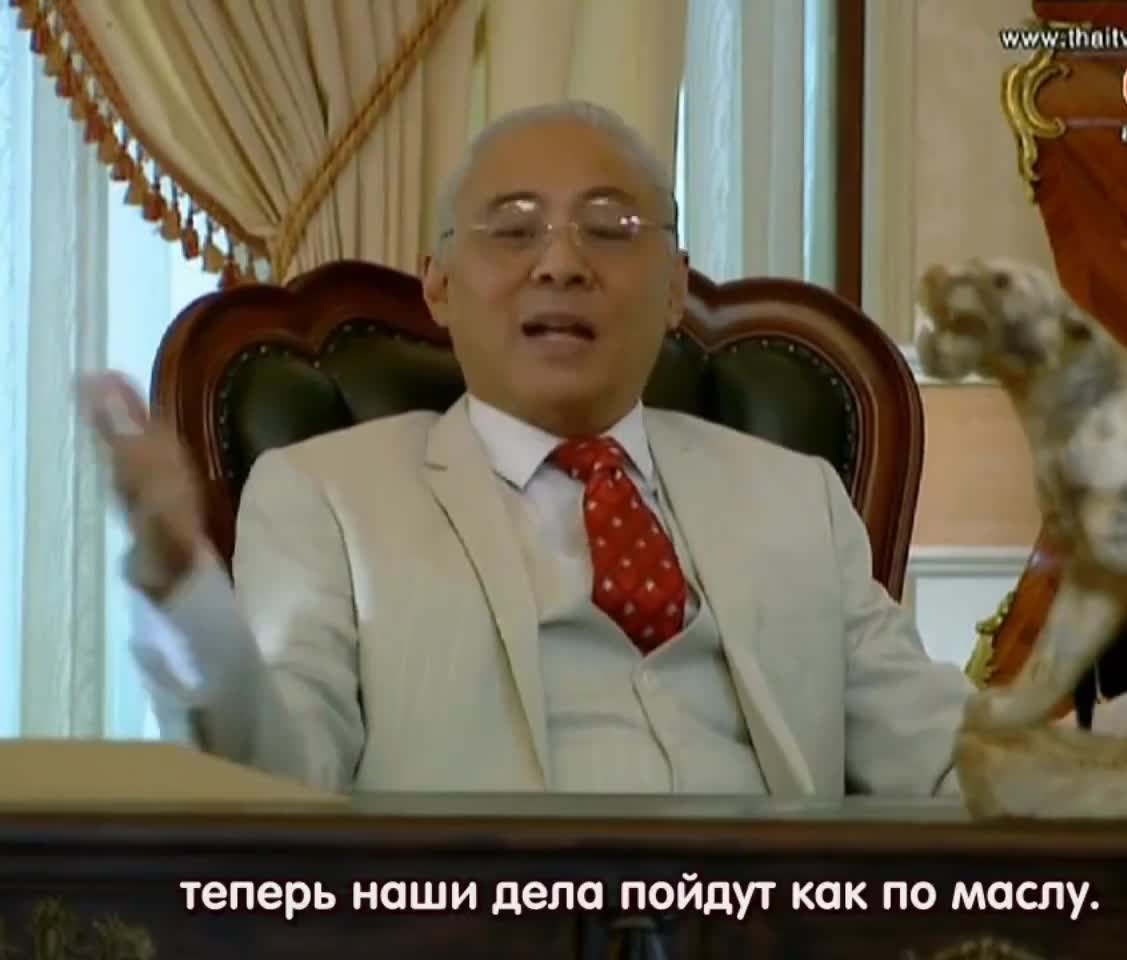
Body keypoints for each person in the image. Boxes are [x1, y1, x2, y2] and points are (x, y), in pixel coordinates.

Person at [79, 100, 977, 798]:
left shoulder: (795, 497)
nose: (560, 264)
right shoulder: (326, 495)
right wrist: (181, 584)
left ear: (673, 289)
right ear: (439, 287)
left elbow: (947, 760)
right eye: (512, 230)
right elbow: (275, 777)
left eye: (610, 229)